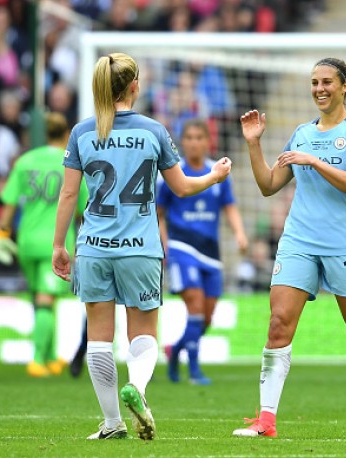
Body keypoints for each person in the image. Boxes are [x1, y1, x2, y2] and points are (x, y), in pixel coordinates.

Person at [52, 52, 232, 441]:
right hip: (140, 248)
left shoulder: (83, 131)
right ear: (135, 85)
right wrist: (214, 176)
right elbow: (182, 187)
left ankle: (112, 422)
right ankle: (139, 389)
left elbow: (68, 194)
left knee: (99, 337)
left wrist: (59, 245)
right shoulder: (154, 130)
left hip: (94, 247)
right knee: (143, 334)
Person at [233, 57, 346, 439]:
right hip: (299, 240)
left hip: (343, 241)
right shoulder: (301, 133)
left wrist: (314, 160)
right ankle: (266, 420)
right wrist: (254, 144)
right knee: (278, 324)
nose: (319, 89)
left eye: (327, 81)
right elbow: (267, 185)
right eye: (314, 82)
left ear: (345, 86)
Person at [0, 112, 88, 378]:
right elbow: (82, 208)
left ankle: (49, 356)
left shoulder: (25, 161)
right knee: (47, 298)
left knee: (40, 298)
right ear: (66, 133)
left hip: (26, 240)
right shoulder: (71, 163)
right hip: (55, 242)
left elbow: (10, 202)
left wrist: (1, 234)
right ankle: (36, 359)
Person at [157, 118, 248, 386]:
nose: (194, 142)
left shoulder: (217, 173)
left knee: (206, 318)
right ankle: (194, 370)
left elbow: (228, 206)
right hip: (182, 247)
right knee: (194, 305)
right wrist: (164, 245)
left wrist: (239, 233)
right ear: (182, 142)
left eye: (199, 137)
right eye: (190, 137)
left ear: (207, 141)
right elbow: (159, 214)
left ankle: (175, 352)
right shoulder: (174, 175)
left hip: (211, 251)